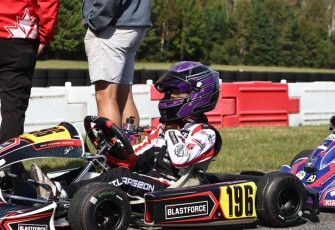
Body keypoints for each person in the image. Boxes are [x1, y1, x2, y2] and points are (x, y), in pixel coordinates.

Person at [31, 61, 222, 199]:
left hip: (170, 189)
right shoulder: (163, 131)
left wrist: (171, 130)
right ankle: (49, 185)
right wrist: (116, 153)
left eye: (174, 92)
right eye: (167, 92)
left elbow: (181, 158)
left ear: (198, 95)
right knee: (102, 166)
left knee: (121, 178)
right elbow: (138, 154)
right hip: (149, 180)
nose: (168, 96)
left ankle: (61, 195)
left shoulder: (206, 134)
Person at [0, 0, 59, 199]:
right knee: (13, 110)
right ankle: (9, 174)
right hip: (18, 35)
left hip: (17, 33)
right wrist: (44, 36)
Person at [82, 0, 152, 128]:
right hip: (134, 23)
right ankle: (131, 146)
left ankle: (113, 147)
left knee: (106, 96)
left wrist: (96, 20)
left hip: (112, 27)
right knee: (124, 95)